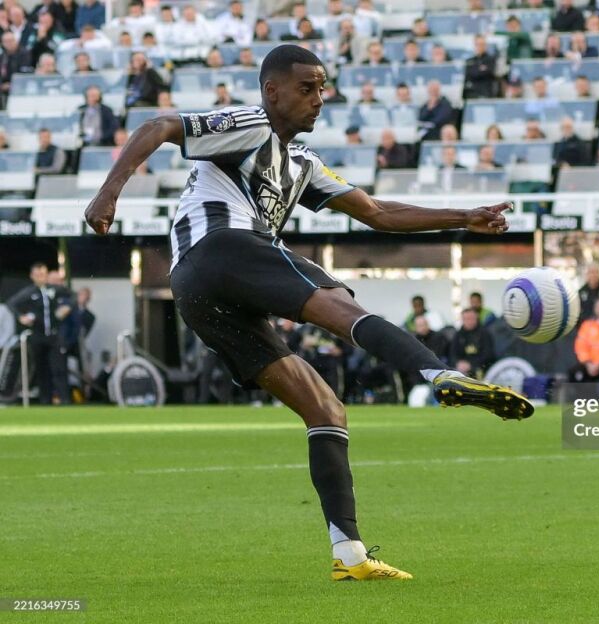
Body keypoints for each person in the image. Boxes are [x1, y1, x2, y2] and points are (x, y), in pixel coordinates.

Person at [83, 45, 534, 581]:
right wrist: (109, 193)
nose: (319, 99)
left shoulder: (303, 164)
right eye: (307, 88)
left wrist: (464, 217)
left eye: (322, 88)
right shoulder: (249, 125)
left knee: (325, 408)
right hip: (221, 244)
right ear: (271, 91)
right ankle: (438, 374)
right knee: (340, 305)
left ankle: (350, 556)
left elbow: (377, 212)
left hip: (196, 291)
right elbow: (158, 126)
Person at [7, 262, 73, 405]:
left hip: (54, 335)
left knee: (59, 368)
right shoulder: (29, 292)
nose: (40, 278)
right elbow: (11, 303)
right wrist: (21, 317)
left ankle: (65, 400)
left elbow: (72, 296)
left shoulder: (54, 289)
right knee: (42, 369)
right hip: (38, 335)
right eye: (37, 275)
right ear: (32, 276)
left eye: (43, 274)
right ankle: (45, 400)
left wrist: (67, 307)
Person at [449, 308, 495, 378]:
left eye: (472, 318)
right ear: (462, 320)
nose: (469, 321)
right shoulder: (458, 335)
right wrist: (458, 363)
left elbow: (488, 355)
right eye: (467, 319)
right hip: (462, 369)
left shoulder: (485, 333)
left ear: (477, 318)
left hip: (481, 368)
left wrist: (471, 364)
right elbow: (452, 354)